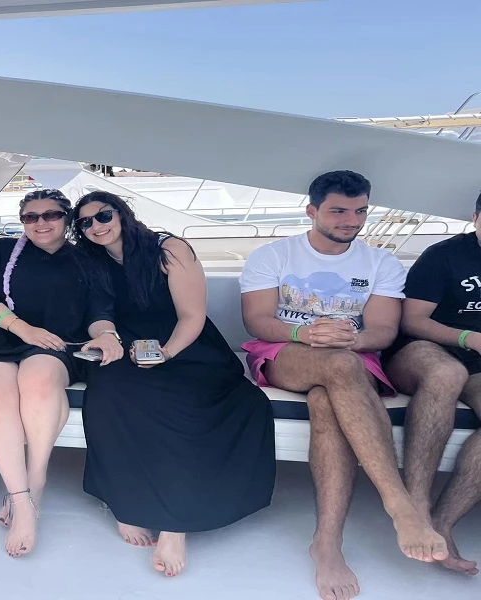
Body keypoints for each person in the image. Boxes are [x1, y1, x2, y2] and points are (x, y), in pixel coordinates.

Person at [239, 170, 447, 600]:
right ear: (312, 211)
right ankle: (399, 503)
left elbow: (384, 332)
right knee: (338, 365)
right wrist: (305, 334)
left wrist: (352, 339)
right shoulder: (274, 255)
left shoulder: (381, 263)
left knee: (325, 398)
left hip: (352, 356)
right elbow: (257, 321)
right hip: (285, 352)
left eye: (360, 211)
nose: (351, 220)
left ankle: (327, 543)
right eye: (338, 211)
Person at [73, 191, 275, 577]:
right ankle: (126, 503)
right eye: (85, 222)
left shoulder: (168, 250)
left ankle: (174, 524)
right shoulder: (91, 261)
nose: (96, 226)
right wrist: (107, 337)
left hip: (187, 347)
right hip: (130, 349)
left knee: (185, 405)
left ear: (122, 213)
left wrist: (166, 354)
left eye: (103, 216)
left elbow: (191, 315)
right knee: (108, 393)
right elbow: (99, 313)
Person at [0, 188, 122, 558]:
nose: (40, 223)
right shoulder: (2, 250)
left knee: (38, 382)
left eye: (50, 215)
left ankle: (35, 484)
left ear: (67, 218)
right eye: (30, 217)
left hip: (56, 340)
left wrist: (107, 335)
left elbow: (99, 311)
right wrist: (23, 329)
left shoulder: (87, 258)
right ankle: (21, 500)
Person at [382, 191, 481, 577]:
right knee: (446, 374)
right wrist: (468, 338)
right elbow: (412, 321)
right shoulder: (444, 256)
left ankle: (442, 522)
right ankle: (417, 508)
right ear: (475, 218)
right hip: (422, 350)